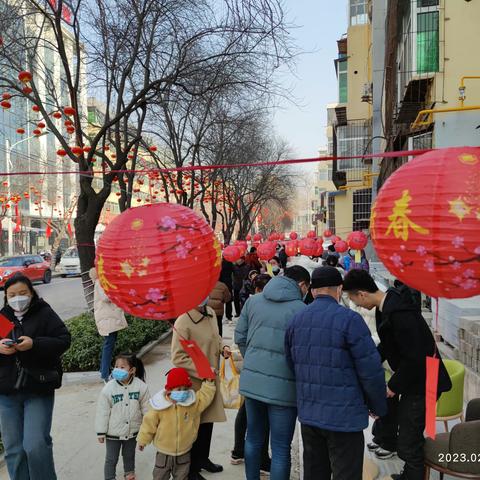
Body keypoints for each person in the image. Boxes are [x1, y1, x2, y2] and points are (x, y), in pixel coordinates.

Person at [342, 269, 452, 480]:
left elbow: (416, 357)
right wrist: (369, 358)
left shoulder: (400, 312)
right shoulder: (388, 305)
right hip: (417, 376)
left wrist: (393, 386)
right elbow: (390, 344)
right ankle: (411, 472)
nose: (356, 305)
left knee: (409, 439)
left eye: (354, 299)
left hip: (426, 378)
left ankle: (414, 475)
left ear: (362, 294)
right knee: (411, 432)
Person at [285, 266, 387, 480]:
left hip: (310, 415)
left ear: (312, 291)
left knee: (315, 473)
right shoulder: (350, 320)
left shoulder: (296, 320)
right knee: (346, 474)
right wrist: (377, 406)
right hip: (344, 417)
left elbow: (291, 363)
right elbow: (371, 370)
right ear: (339, 289)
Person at [234, 266, 310, 480]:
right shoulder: (301, 310)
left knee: (253, 439)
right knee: (280, 448)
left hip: (253, 385)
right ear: (302, 285)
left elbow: (240, 336)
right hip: (285, 390)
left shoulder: (253, 301)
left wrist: (253, 361)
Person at [0, 273, 71, 480]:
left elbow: (64, 340)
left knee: (35, 444)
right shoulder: (3, 318)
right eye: (12, 294)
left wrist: (35, 344)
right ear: (6, 297)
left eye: (22, 293)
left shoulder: (44, 313)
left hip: (37, 388)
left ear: (32, 292)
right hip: (6, 392)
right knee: (14, 449)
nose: (17, 298)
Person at [171, 299, 230, 480]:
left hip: (210, 382)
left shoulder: (210, 312)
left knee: (207, 423)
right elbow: (178, 357)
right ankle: (190, 469)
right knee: (194, 426)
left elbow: (215, 337)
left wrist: (223, 347)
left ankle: (203, 459)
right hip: (196, 383)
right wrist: (204, 371)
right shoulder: (183, 321)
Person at [137, 367, 216, 480]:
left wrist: (209, 382)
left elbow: (204, 397)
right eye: (178, 389)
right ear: (169, 390)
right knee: (160, 476)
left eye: (185, 389)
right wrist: (142, 440)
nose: (182, 392)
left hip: (184, 451)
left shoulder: (191, 403)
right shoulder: (159, 407)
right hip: (164, 452)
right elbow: (148, 424)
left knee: (182, 476)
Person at [231, 273, 272, 474]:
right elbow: (242, 336)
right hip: (263, 370)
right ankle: (260, 460)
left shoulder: (252, 304)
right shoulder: (258, 304)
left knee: (248, 412)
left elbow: (240, 336)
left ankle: (239, 451)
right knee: (258, 421)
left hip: (254, 368)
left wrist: (249, 357)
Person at [96, 353, 149, 480]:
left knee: (129, 454)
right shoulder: (108, 389)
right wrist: (101, 432)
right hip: (113, 432)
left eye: (122, 367)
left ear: (132, 370)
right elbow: (102, 411)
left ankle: (129, 472)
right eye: (116, 366)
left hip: (133, 430)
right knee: (111, 458)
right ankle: (109, 477)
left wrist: (146, 432)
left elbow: (147, 409)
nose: (117, 370)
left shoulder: (141, 387)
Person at [90, 268, 128, 382]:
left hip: (110, 317)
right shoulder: (100, 282)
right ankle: (105, 374)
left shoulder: (102, 281)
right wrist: (116, 290)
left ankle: (105, 371)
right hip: (107, 318)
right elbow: (106, 297)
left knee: (110, 344)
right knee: (108, 345)